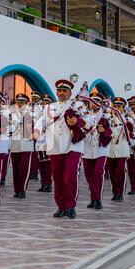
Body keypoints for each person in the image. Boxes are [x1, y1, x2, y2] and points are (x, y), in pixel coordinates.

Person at [41, 80, 90, 219]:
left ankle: (71, 206)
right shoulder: (50, 107)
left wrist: (77, 122)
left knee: (70, 176)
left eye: (64, 90)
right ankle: (61, 206)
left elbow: (90, 120)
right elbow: (42, 121)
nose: (61, 93)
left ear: (70, 92)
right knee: (57, 178)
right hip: (55, 146)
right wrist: (36, 131)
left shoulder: (78, 105)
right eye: (59, 90)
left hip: (73, 146)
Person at [83, 92, 113, 210]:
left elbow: (113, 132)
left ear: (100, 103)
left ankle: (98, 199)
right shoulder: (85, 115)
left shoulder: (107, 115)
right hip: (87, 148)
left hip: (101, 149)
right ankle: (93, 198)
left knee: (98, 173)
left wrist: (104, 130)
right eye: (91, 101)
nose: (92, 104)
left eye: (95, 101)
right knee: (89, 175)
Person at [9, 93, 39, 199]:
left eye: (22, 102)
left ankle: (22, 189)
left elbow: (38, 125)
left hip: (26, 143)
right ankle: (17, 190)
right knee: (16, 168)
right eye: (18, 102)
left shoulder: (32, 113)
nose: (20, 104)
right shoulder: (11, 113)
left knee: (24, 168)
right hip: (15, 143)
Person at [108, 97, 135, 202]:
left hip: (122, 149)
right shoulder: (108, 118)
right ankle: (114, 192)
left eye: (119, 106)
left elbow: (130, 134)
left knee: (120, 170)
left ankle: (120, 192)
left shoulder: (128, 119)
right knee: (111, 172)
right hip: (110, 148)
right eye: (115, 106)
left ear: (123, 108)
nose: (117, 108)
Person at [36, 94, 53, 193]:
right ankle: (43, 183)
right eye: (44, 102)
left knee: (48, 163)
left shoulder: (53, 114)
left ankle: (49, 183)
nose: (45, 104)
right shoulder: (39, 114)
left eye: (47, 102)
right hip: (39, 142)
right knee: (41, 164)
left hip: (49, 142)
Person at [29, 90, 42, 181]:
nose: (34, 99)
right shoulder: (29, 106)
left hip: (38, 132)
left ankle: (35, 172)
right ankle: (31, 171)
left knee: (36, 153)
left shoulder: (42, 107)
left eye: (35, 98)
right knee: (31, 152)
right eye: (33, 97)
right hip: (29, 131)